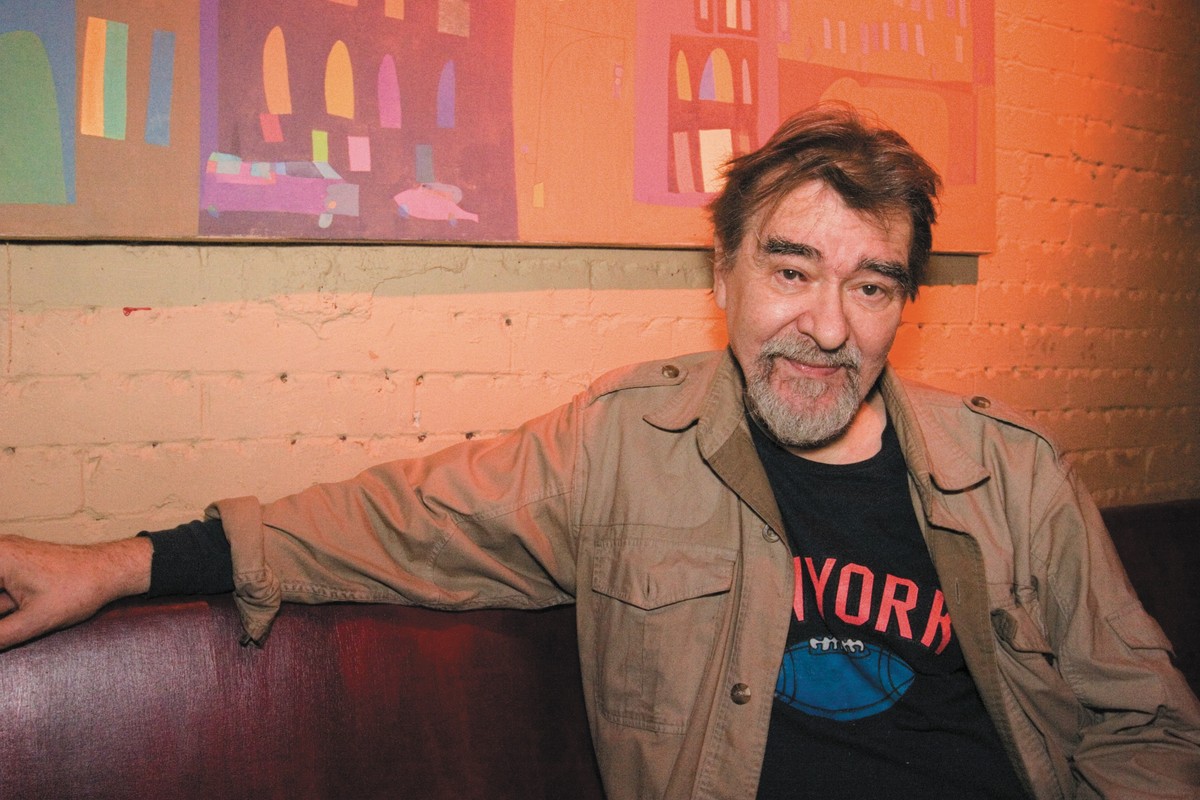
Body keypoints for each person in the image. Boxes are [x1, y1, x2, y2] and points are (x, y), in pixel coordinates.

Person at [1, 104, 1197, 799]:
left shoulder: (1014, 475)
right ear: (721, 274)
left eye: (870, 285)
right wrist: (120, 562)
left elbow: (1149, 725)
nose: (828, 327)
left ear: (902, 306)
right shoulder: (625, 445)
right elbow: (397, 520)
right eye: (791, 270)